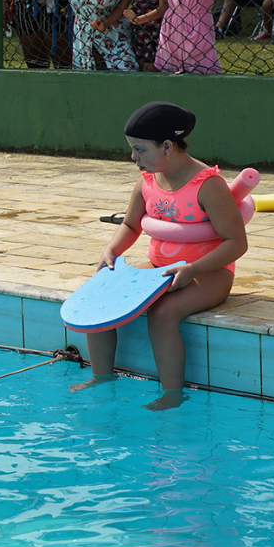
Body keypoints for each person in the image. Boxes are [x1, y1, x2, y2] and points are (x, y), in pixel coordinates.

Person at [73, 102, 247, 411]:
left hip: (209, 272)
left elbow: (236, 243)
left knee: (164, 313)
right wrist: (112, 250)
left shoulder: (208, 186)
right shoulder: (148, 181)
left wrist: (193, 269)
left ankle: (172, 394)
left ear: (167, 146)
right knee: (101, 295)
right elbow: (130, 224)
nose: (133, 157)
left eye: (139, 150)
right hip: (160, 266)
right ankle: (101, 377)